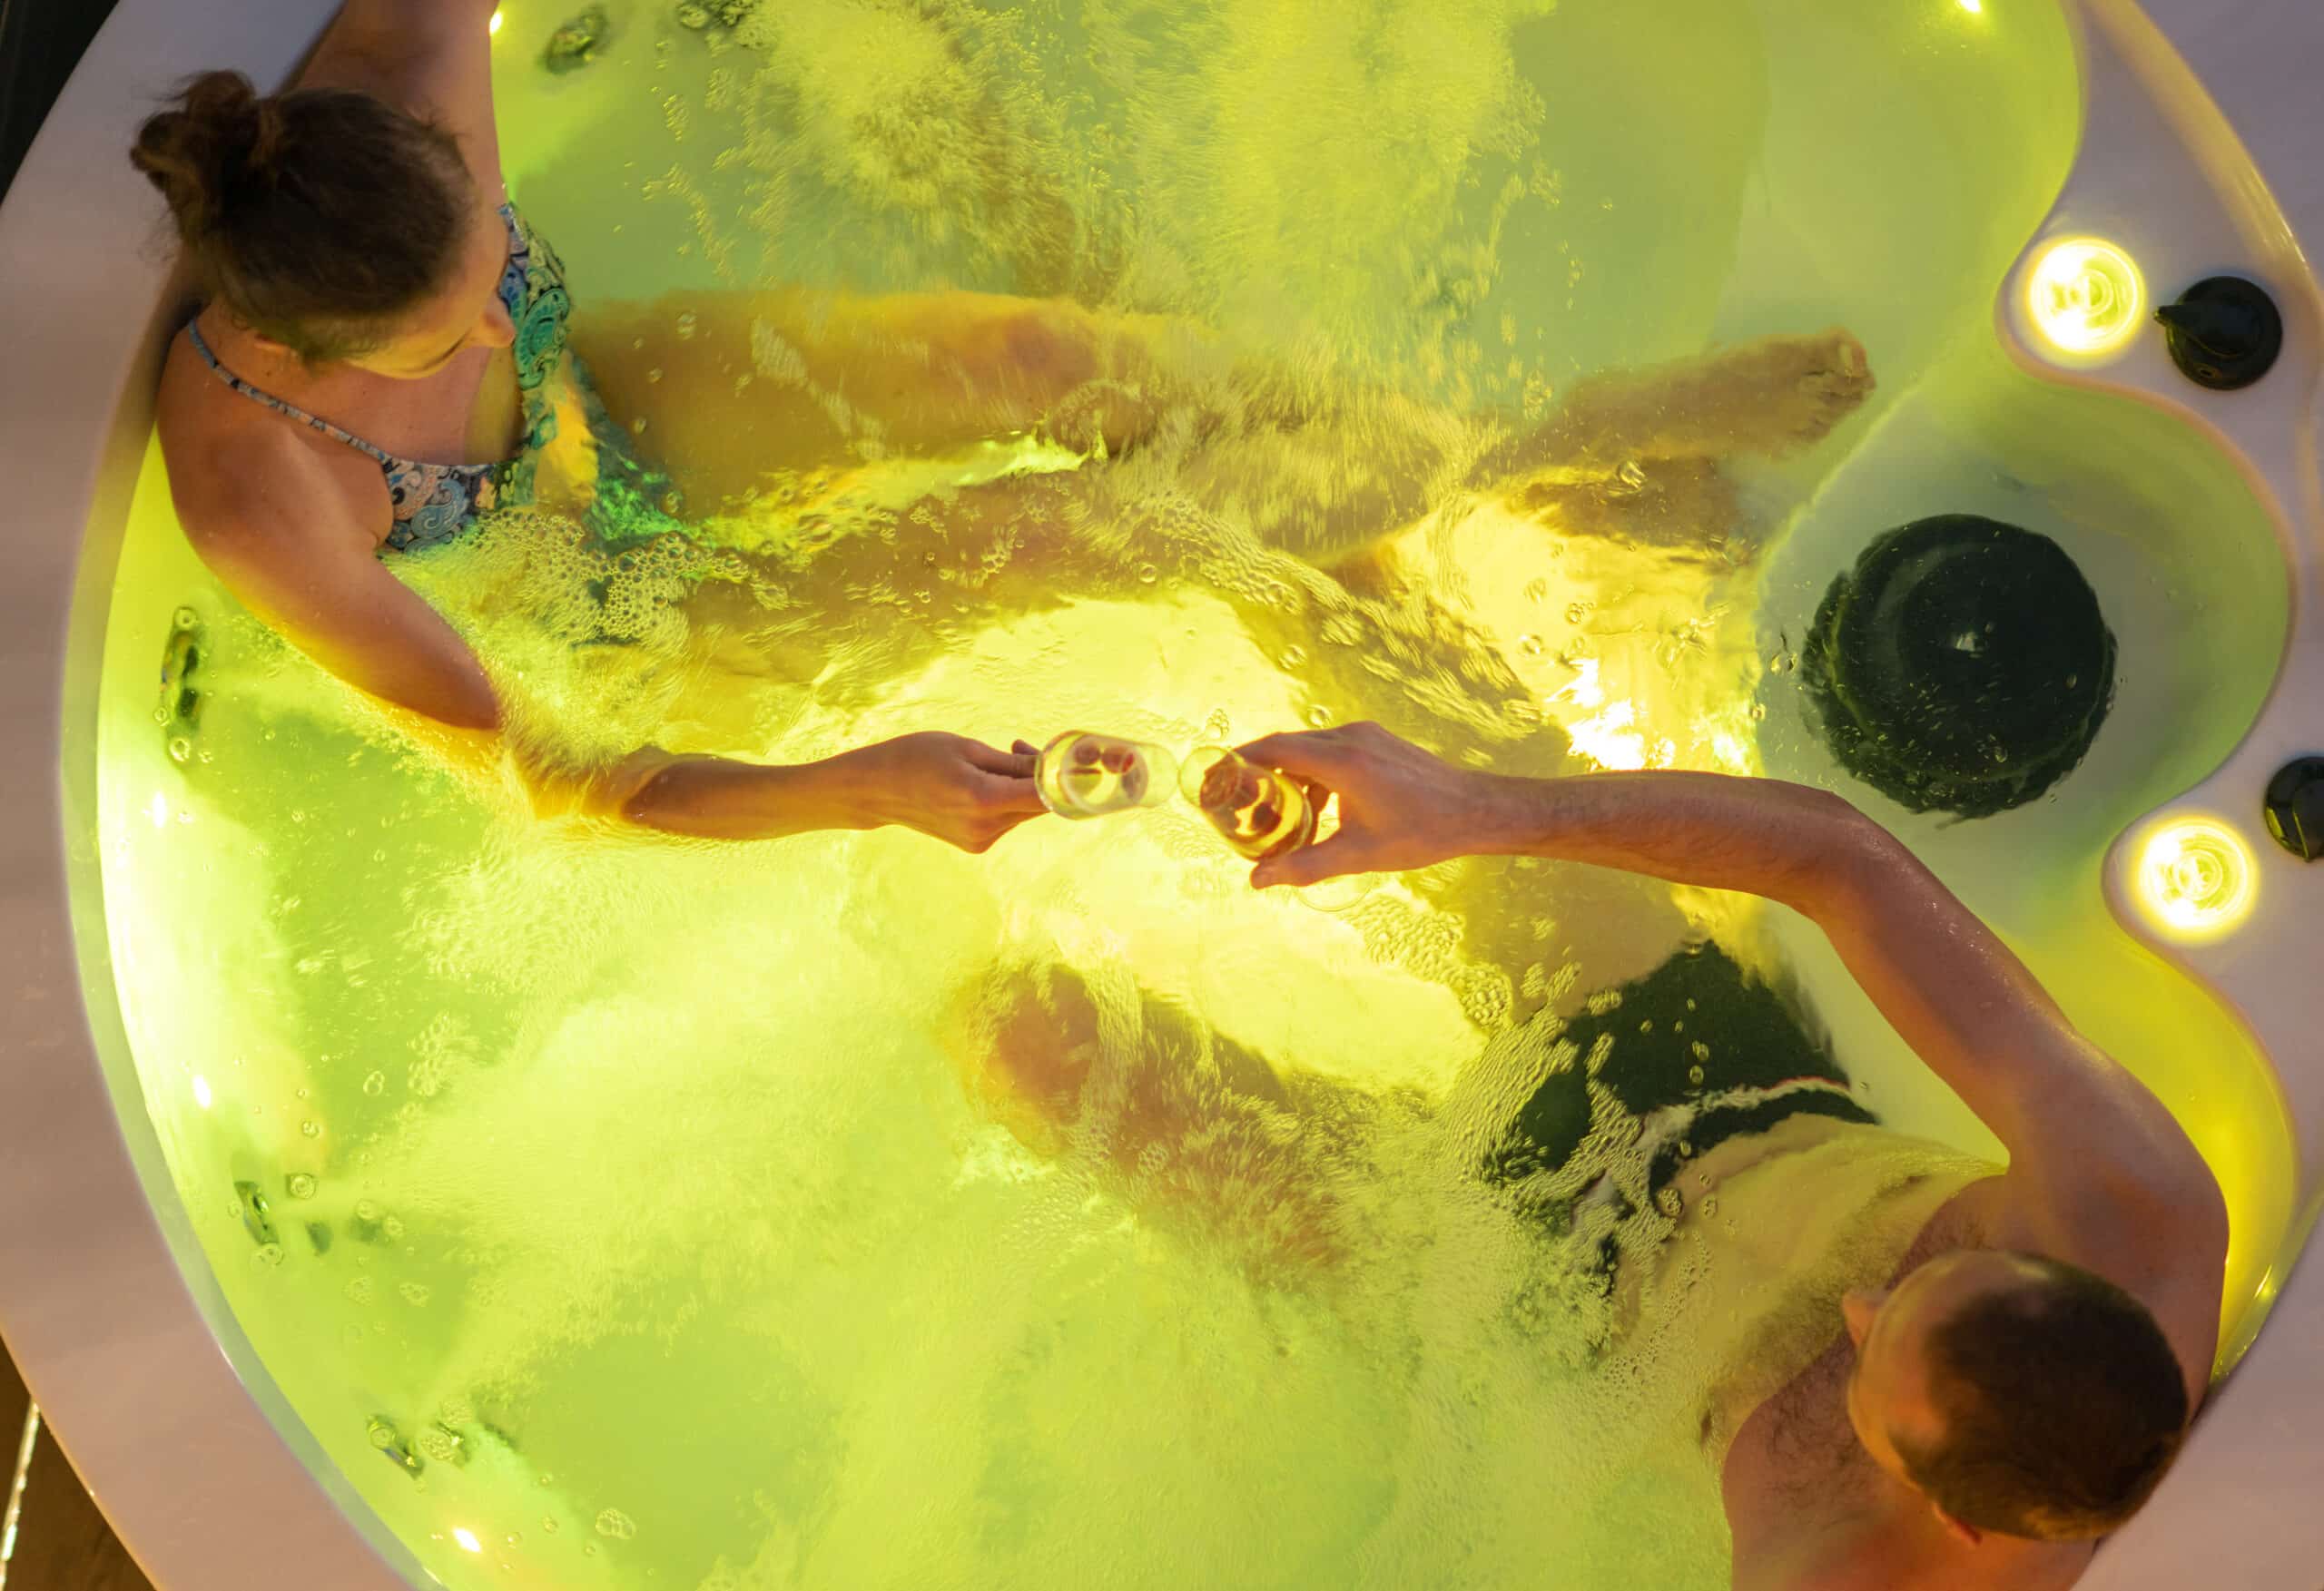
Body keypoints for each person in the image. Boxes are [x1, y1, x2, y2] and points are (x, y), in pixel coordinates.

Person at [135, 0, 1876, 854]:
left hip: (620, 401)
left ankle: (1487, 459)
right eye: (456, 310)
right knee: (1044, 536)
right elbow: (557, 772)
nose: (496, 267)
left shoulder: (408, 77)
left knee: (1049, 354)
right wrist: (861, 786)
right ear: (308, 351)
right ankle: (1552, 441)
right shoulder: (262, 500)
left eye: (490, 240)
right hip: (616, 609)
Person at [951, 722, 2227, 1591]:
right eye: (1931, 1265)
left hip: (1502, 1282)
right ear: (2073, 1278)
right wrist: (1477, 812)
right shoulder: (2135, 1201)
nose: (1859, 1298)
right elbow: (1838, 861)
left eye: (1876, 1346)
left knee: (1014, 1040)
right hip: (1713, 1070)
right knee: (1357, 638)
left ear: (1953, 1516)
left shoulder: (1847, 1577)